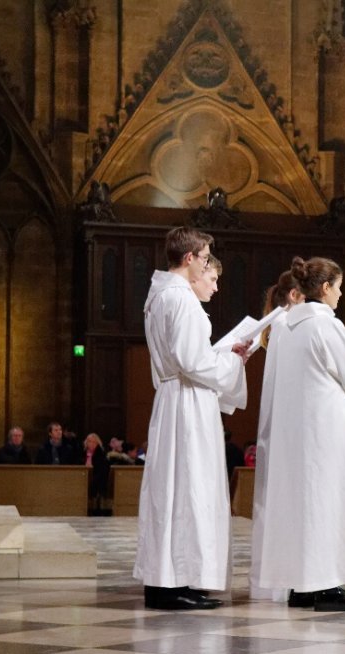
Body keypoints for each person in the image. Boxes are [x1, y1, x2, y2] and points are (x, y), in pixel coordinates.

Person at [250, 256, 345, 612]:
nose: (341, 295)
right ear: (326, 288)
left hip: (295, 435)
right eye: (339, 288)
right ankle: (326, 584)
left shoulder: (284, 328)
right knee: (327, 504)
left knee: (305, 507)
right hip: (327, 436)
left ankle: (304, 585)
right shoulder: (325, 326)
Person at [133, 228, 247, 611]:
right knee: (187, 488)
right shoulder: (180, 300)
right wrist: (233, 358)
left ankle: (175, 579)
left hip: (175, 397)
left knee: (176, 489)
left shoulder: (160, 296)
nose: (206, 261)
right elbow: (193, 362)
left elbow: (187, 357)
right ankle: (171, 583)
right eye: (205, 255)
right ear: (190, 258)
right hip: (186, 402)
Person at [248, 270, 302, 602]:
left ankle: (276, 581)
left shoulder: (277, 326)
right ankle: (284, 580)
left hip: (279, 424)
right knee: (285, 504)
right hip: (288, 426)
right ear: (294, 296)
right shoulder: (288, 326)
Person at [83, 433, 110, 513]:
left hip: (96, 478)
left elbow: (102, 470)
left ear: (98, 443)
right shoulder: (81, 452)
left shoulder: (101, 455)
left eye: (94, 442)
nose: (91, 444)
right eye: (89, 441)